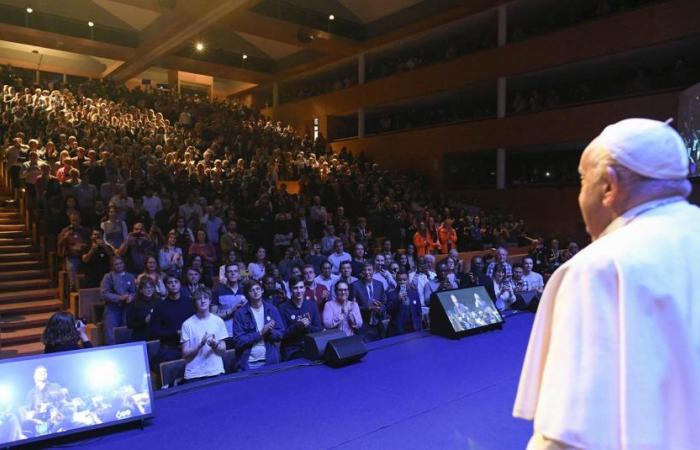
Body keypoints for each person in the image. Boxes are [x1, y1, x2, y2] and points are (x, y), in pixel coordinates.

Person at [514, 118, 700, 449]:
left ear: (609, 186)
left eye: (583, 181)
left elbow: (569, 436)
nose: (580, 195)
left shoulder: (600, 268)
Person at [231, 281, 284, 371]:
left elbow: (281, 334)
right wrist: (260, 333)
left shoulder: (272, 309)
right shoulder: (240, 314)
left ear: (262, 290)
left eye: (258, 289)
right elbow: (238, 342)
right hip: (248, 363)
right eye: (252, 290)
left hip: (270, 360)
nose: (256, 292)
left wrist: (270, 331)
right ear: (247, 294)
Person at [180, 287, 228, 382]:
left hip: (215, 371)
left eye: (205, 298)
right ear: (194, 302)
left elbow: (223, 350)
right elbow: (185, 354)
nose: (202, 301)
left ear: (210, 301)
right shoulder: (187, 324)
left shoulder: (218, 321)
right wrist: (200, 345)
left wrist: (215, 345)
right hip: (194, 374)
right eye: (199, 298)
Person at [149, 275, 194, 364]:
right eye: (170, 283)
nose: (173, 285)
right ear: (166, 286)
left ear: (180, 284)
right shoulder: (160, 306)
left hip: (190, 345)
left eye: (176, 282)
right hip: (170, 348)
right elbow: (154, 331)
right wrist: (175, 333)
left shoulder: (189, 302)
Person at [278, 276, 322, 360]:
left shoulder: (312, 305)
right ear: (290, 289)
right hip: (292, 349)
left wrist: (307, 326)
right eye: (295, 288)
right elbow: (282, 335)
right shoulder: (282, 308)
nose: (299, 291)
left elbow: (318, 330)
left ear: (305, 288)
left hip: (311, 345)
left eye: (301, 287)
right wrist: (297, 326)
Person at [100, 256, 136, 345]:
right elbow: (104, 294)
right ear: (112, 266)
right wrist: (119, 298)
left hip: (127, 307)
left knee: (126, 331)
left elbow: (134, 292)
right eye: (116, 264)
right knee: (111, 334)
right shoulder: (108, 277)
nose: (119, 266)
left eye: (121, 263)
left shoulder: (130, 276)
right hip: (112, 308)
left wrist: (131, 296)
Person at [350, 262, 387, 342]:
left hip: (378, 323)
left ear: (373, 271)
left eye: (369, 270)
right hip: (363, 324)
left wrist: (379, 308)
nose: (367, 272)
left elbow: (384, 303)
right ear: (362, 272)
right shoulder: (355, 285)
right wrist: (369, 308)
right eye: (364, 270)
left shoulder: (379, 284)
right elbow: (351, 307)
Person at [212, 264, 246, 337]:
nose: (233, 273)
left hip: (243, 332)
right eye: (230, 271)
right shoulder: (217, 291)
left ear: (239, 274)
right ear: (225, 274)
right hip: (224, 332)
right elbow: (212, 316)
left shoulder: (245, 291)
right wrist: (231, 311)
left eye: (235, 271)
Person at [386, 272, 422, 336]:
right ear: (396, 280)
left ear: (408, 280)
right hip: (398, 330)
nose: (402, 282)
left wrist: (418, 325)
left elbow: (419, 312)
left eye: (404, 280)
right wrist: (397, 299)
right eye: (400, 280)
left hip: (413, 328)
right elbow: (389, 311)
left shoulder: (414, 293)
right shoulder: (391, 294)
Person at [126, 277, 161, 342]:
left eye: (151, 287)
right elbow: (129, 324)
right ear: (140, 290)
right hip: (140, 336)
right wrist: (144, 322)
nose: (149, 290)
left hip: (156, 336)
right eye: (146, 288)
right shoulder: (134, 304)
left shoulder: (159, 301)